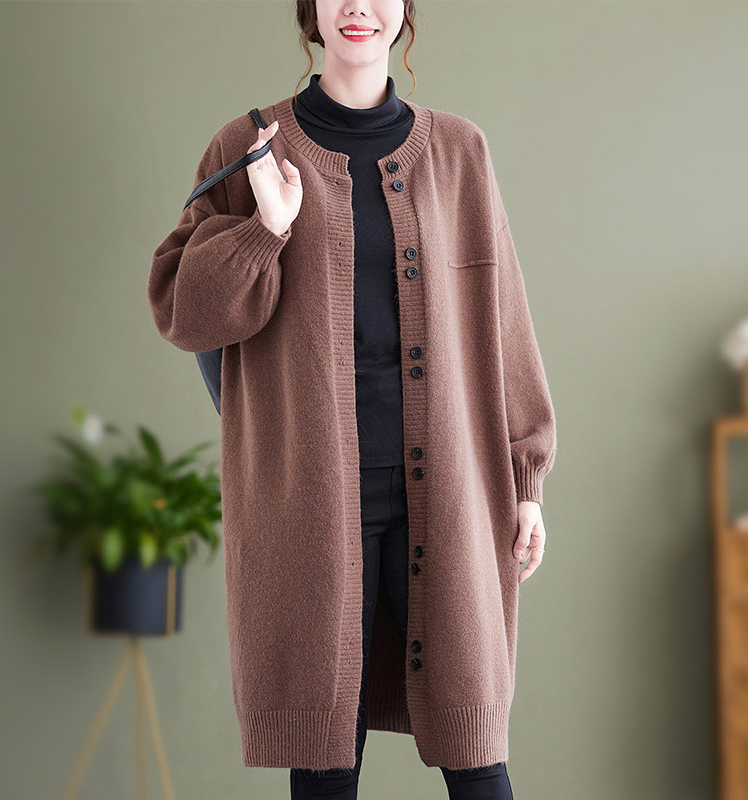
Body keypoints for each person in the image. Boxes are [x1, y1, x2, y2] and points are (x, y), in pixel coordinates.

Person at [147, 1, 557, 798]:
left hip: (450, 491)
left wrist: (526, 479)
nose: (358, 5)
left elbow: (502, 316)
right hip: (308, 501)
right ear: (311, 11)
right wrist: (267, 228)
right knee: (325, 763)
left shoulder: (460, 150)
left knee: (478, 759)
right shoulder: (248, 147)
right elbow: (185, 312)